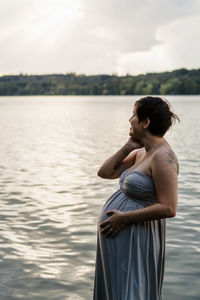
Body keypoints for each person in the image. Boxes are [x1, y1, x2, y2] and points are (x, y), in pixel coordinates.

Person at [93, 96, 179, 300]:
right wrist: (127, 146)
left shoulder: (163, 157)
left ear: (146, 122)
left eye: (133, 114)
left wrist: (124, 218)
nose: (130, 119)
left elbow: (169, 208)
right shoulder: (141, 152)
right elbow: (104, 173)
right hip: (121, 241)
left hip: (137, 239)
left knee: (131, 291)